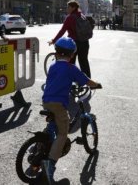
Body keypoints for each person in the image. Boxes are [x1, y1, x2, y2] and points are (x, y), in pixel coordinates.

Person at [41, 37, 101, 184]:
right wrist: (97, 84)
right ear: (72, 54)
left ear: (56, 52)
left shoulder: (53, 66)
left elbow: (56, 80)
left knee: (53, 124)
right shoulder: (71, 68)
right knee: (63, 133)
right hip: (58, 103)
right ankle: (50, 165)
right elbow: (86, 81)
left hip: (46, 101)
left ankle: (40, 145)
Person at [48, 0, 92, 78]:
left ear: (73, 7)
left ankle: (70, 79)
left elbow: (62, 31)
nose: (67, 9)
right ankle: (88, 81)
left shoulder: (70, 18)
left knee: (70, 62)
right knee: (84, 61)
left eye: (68, 7)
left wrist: (54, 41)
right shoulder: (82, 16)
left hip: (73, 43)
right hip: (85, 42)